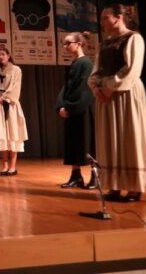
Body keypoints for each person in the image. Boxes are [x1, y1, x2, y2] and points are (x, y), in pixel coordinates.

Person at [88, 4, 146, 202]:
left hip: (125, 93)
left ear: (118, 17)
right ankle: (115, 185)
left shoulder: (133, 38)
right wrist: (95, 87)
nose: (102, 22)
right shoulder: (104, 43)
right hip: (106, 96)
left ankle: (135, 186)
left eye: (105, 17)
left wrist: (111, 87)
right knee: (109, 139)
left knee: (129, 136)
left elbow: (132, 68)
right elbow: (96, 69)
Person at [55, 32, 96, 189]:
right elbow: (66, 87)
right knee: (73, 142)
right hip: (71, 108)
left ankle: (95, 177)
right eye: (64, 44)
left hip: (82, 108)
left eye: (68, 43)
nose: (65, 46)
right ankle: (76, 176)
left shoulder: (86, 63)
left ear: (79, 43)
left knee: (88, 143)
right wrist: (61, 106)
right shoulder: (73, 63)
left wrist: (70, 106)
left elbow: (84, 88)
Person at [0, 48, 28, 176]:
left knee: (12, 135)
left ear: (9, 56)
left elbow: (15, 87)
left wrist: (2, 98)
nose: (1, 57)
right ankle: (5, 167)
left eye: (3, 54)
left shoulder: (16, 70)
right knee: (2, 136)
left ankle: (12, 167)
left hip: (10, 106)